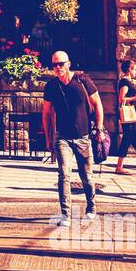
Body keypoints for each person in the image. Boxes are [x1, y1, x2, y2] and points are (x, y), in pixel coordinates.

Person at [42, 50, 103, 225]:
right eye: (54, 64)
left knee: (87, 176)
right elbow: (46, 113)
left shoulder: (83, 81)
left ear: (69, 64)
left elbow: (97, 104)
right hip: (62, 138)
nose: (58, 67)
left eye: (61, 64)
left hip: (83, 137)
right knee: (64, 174)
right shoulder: (51, 86)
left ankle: (91, 207)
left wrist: (98, 128)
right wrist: (48, 138)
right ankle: (65, 214)